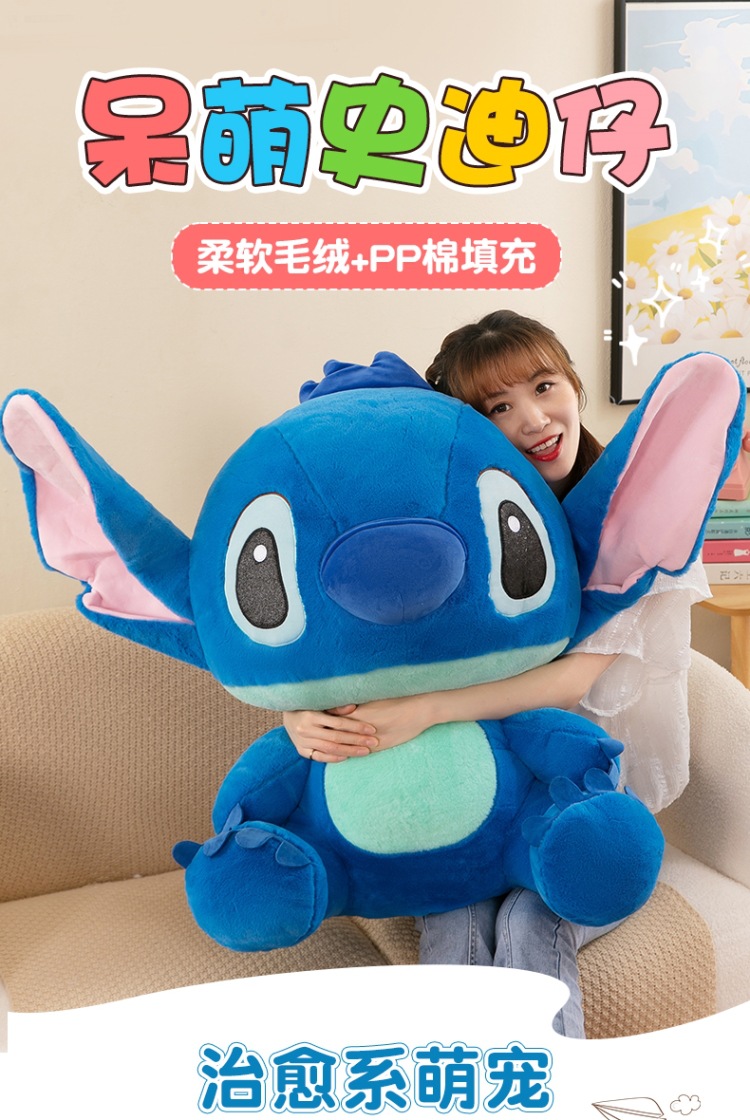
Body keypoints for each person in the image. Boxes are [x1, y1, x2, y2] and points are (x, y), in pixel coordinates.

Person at [282, 309, 709, 1037]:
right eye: (497, 408)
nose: (534, 420)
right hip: (479, 785)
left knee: (529, 923)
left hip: (594, 789)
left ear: (573, 382)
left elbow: (575, 680)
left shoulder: (638, 519)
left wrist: (427, 710)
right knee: (454, 916)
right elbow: (378, 645)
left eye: (544, 387)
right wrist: (307, 712)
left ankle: (545, 1084)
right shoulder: (468, 529)